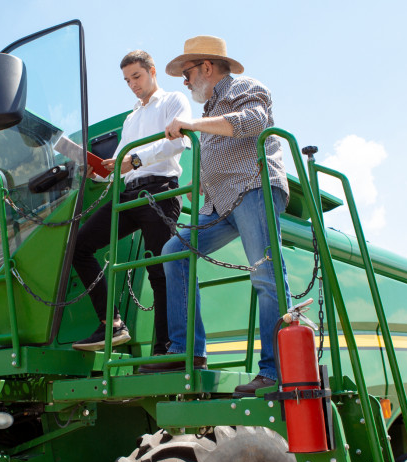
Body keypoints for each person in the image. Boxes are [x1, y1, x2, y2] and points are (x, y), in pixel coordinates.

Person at [139, 36, 291, 398]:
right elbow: (221, 151)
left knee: (265, 275)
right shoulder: (209, 112)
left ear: (207, 67)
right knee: (175, 251)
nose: (186, 82)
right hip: (221, 202)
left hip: (254, 187)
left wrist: (190, 125)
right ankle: (186, 351)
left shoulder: (245, 87)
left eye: (187, 73)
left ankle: (275, 372)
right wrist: (201, 183)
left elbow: (251, 123)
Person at [72, 50, 191, 353]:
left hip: (159, 193)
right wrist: (97, 173)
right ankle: (111, 325)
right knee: (80, 246)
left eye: (136, 76)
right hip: (128, 194)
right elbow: (120, 166)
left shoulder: (173, 101)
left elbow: (177, 142)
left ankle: (165, 350)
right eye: (127, 80)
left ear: (152, 71)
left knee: (158, 271)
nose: (133, 84)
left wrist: (134, 160)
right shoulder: (131, 118)